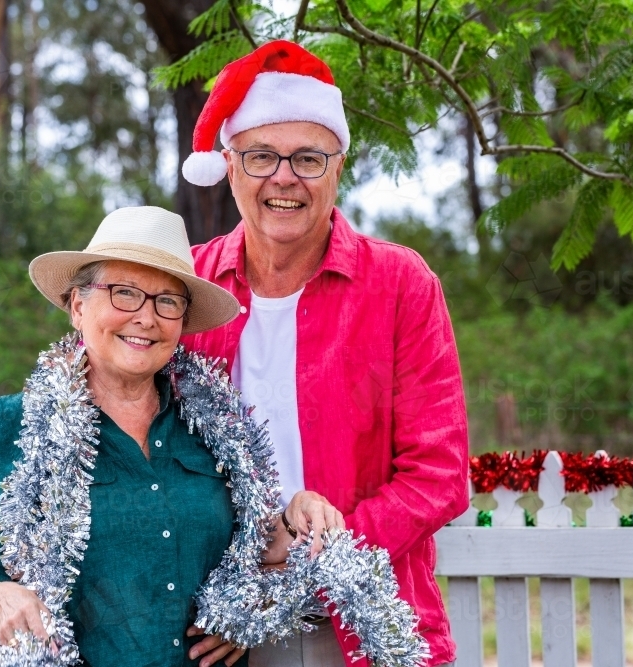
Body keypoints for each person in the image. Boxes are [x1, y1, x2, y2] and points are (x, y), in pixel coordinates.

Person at [0, 206, 345, 667]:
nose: (146, 318)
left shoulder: (213, 426)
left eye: (166, 301)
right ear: (77, 305)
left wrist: (293, 523)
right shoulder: (14, 424)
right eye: (124, 293)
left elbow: (254, 551)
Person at [179, 41, 470, 667]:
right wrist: (242, 592)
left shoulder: (400, 284)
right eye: (261, 156)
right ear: (229, 167)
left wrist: (310, 557)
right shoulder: (184, 289)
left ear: (338, 168)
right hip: (218, 635)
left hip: (366, 626)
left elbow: (438, 476)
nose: (284, 177)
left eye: (308, 158)